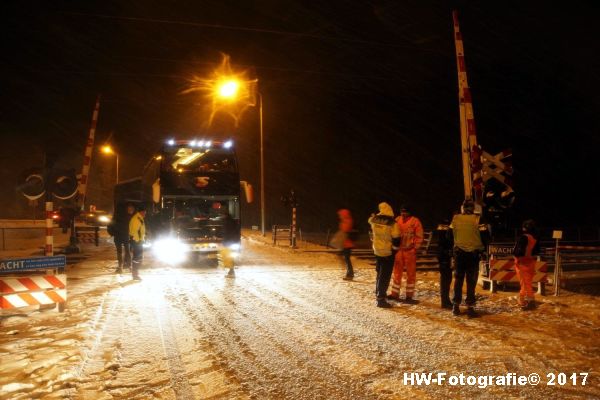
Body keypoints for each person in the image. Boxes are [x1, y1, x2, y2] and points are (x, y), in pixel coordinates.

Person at [449, 199, 485, 317]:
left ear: (463, 208)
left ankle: (455, 306)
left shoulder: (455, 219)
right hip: (473, 255)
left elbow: (448, 235)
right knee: (471, 281)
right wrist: (482, 249)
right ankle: (470, 308)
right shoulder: (477, 219)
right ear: (472, 208)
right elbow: (486, 236)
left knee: (458, 280)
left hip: (459, 254)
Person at [388, 205, 423, 303]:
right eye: (402, 212)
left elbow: (419, 236)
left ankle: (409, 296)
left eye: (405, 212)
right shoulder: (397, 220)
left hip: (410, 251)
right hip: (399, 251)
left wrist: (415, 248)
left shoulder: (415, 221)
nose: (403, 214)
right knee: (396, 272)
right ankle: (394, 294)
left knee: (411, 274)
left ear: (409, 213)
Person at [368, 202, 400, 308]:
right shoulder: (392, 223)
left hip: (377, 250)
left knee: (379, 273)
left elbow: (370, 221)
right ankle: (381, 299)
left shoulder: (375, 220)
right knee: (385, 276)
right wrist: (395, 250)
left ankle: (378, 292)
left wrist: (375, 215)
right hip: (387, 252)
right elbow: (396, 238)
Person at [513, 219, 541, 310]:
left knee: (525, 283)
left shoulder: (523, 237)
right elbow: (536, 251)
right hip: (530, 262)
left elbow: (518, 251)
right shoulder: (534, 238)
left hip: (522, 263)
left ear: (525, 228)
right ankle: (522, 299)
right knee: (527, 282)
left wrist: (516, 256)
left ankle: (530, 301)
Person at [108, 203, 135, 274]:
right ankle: (127, 266)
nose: (131, 210)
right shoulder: (129, 217)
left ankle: (122, 266)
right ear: (127, 209)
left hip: (121, 236)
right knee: (126, 251)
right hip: (123, 236)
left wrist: (112, 233)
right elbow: (110, 226)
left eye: (132, 209)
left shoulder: (118, 216)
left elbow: (110, 226)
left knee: (123, 252)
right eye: (130, 209)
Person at [435, 218, 454, 309]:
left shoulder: (442, 227)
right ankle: (445, 301)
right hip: (445, 256)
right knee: (446, 279)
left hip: (443, 255)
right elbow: (445, 241)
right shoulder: (446, 227)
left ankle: (445, 300)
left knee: (446, 278)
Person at [129, 204, 147, 281]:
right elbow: (134, 231)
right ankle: (135, 274)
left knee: (138, 258)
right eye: (144, 213)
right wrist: (138, 240)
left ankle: (135, 273)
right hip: (137, 242)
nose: (145, 214)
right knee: (137, 258)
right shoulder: (137, 219)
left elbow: (140, 231)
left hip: (138, 241)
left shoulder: (139, 218)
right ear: (141, 212)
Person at [337, 209, 355, 280]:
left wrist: (342, 224)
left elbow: (344, 230)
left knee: (347, 259)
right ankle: (349, 273)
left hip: (348, 244)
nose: (340, 216)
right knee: (346, 259)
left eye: (340, 215)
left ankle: (350, 274)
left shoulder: (347, 221)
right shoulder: (346, 221)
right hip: (345, 243)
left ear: (344, 215)